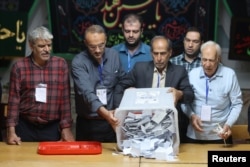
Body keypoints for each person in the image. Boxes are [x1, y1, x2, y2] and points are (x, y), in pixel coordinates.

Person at [114, 35, 194, 142]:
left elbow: (190, 95)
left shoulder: (179, 71)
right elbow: (120, 87)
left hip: (168, 127)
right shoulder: (140, 68)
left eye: (163, 53)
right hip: (142, 126)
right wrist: (120, 111)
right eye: (156, 53)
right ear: (151, 53)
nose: (159, 58)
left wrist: (179, 94)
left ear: (170, 53)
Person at [5, 26, 75, 145]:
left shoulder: (60, 65)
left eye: (49, 45)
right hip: (25, 126)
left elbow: (65, 100)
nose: (47, 49)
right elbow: (13, 101)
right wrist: (11, 131)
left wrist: (66, 128)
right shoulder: (19, 67)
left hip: (52, 127)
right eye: (42, 46)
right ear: (31, 46)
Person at [71, 25, 126, 142]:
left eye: (101, 45)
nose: (97, 50)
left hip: (112, 121)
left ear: (105, 40)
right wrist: (106, 114)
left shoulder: (113, 55)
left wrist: (117, 109)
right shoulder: (78, 62)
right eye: (92, 46)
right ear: (85, 43)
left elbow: (120, 83)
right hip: (88, 124)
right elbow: (87, 94)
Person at [183, 41, 243, 144]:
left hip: (221, 135)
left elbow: (237, 104)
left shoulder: (229, 75)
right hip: (194, 135)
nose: (207, 65)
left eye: (211, 60)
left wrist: (228, 124)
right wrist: (191, 115)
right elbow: (184, 101)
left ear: (218, 59)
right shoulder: (192, 74)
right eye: (204, 60)